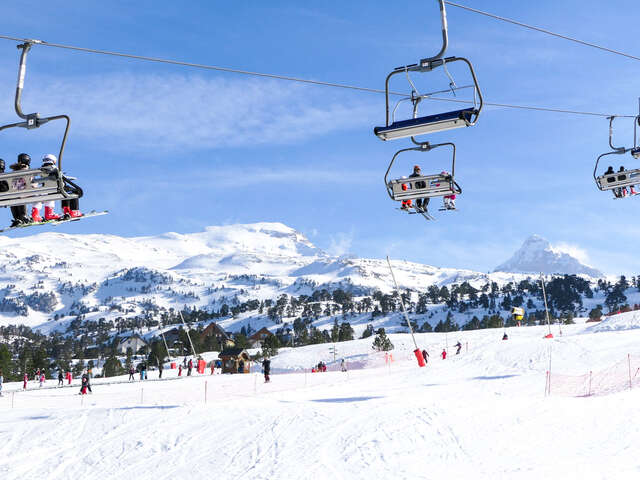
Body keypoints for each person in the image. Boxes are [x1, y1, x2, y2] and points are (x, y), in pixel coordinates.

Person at [8, 154, 32, 227]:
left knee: (13, 199)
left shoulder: (14, 171)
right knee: (21, 197)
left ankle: (16, 218)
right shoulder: (27, 170)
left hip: (12, 193)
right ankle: (23, 216)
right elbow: (30, 181)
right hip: (23, 192)